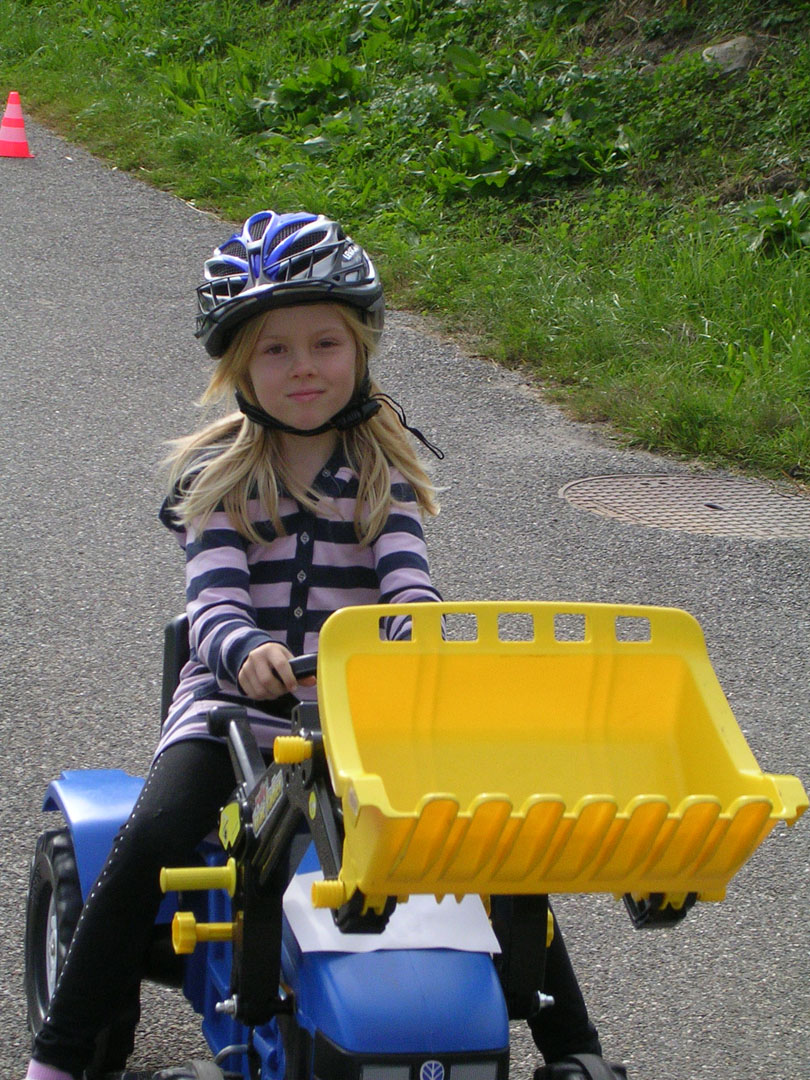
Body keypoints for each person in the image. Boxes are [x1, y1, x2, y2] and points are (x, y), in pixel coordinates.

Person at [26, 210, 623, 1080]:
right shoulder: (219, 480)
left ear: (361, 352)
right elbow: (213, 601)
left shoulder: (383, 475)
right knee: (149, 840)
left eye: (324, 343)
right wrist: (244, 650)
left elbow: (409, 587)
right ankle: (60, 1055)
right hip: (233, 711)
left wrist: (416, 639)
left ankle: (575, 1050)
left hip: (363, 714)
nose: (302, 366)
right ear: (238, 368)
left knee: (488, 841)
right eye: (274, 349)